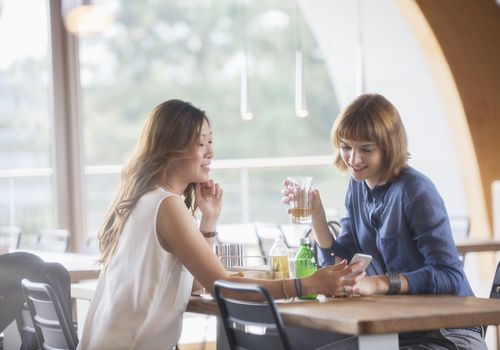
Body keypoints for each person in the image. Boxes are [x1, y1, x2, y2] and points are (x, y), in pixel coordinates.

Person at [78, 99, 365, 350]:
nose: (210, 153)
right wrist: (305, 285)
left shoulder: (145, 198)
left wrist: (209, 221)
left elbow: (194, 283)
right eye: (200, 144)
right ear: (170, 149)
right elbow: (222, 286)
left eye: (210, 141)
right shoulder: (166, 205)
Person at [282, 93, 487, 350]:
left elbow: (450, 275)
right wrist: (317, 217)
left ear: (388, 147)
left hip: (448, 332)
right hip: (394, 329)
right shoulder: (356, 188)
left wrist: (379, 283)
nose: (354, 159)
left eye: (366, 149)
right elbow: (341, 265)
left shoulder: (415, 191)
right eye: (346, 147)